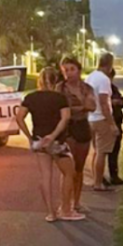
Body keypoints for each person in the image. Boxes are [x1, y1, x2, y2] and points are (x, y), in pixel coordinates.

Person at [14, 67, 85, 223]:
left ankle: (51, 213)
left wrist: (30, 137)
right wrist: (53, 136)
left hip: (38, 140)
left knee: (45, 176)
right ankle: (66, 209)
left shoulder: (30, 97)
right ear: (56, 81)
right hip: (57, 142)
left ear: (40, 80)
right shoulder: (59, 98)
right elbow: (65, 118)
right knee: (69, 172)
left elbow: (19, 118)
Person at [57, 57, 96, 211]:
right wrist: (81, 107)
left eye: (72, 69)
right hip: (66, 128)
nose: (69, 73)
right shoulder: (60, 89)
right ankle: (64, 203)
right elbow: (59, 109)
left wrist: (74, 108)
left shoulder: (87, 88)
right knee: (68, 168)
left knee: (79, 168)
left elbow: (92, 106)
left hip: (82, 127)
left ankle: (77, 202)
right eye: (66, 70)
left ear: (78, 70)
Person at [85, 53, 120, 191]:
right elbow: (104, 102)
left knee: (96, 151)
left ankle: (96, 180)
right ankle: (98, 183)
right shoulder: (104, 79)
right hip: (101, 118)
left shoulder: (90, 76)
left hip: (91, 117)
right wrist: (112, 124)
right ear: (110, 65)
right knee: (102, 152)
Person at [105, 68, 123, 186]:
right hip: (105, 123)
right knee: (102, 152)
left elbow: (122, 101)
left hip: (117, 122)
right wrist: (112, 102)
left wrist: (118, 102)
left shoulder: (113, 88)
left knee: (115, 150)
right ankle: (100, 177)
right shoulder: (101, 89)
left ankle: (114, 175)